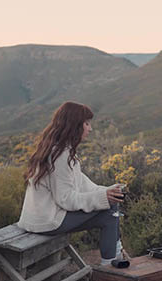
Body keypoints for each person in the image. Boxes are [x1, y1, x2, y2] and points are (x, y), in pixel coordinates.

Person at [17, 101, 127, 266]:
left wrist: (108, 191)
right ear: (75, 125)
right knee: (110, 210)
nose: (90, 129)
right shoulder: (60, 155)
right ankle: (113, 265)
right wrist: (104, 197)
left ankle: (114, 260)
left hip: (41, 217)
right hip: (46, 221)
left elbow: (83, 184)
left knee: (110, 208)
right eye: (87, 124)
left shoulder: (62, 151)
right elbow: (66, 199)